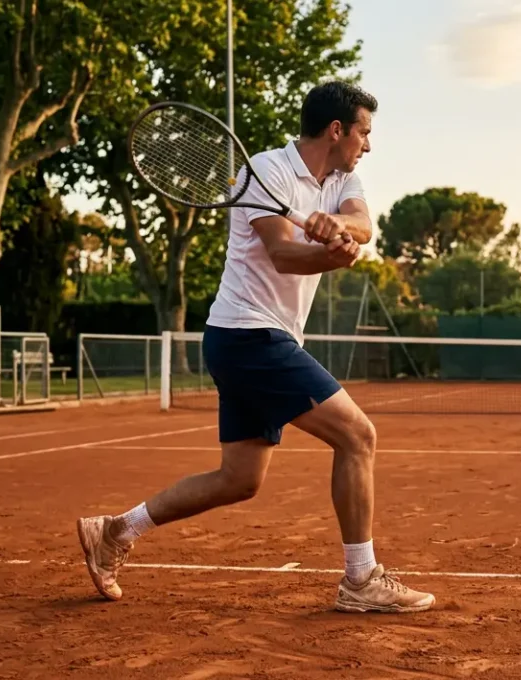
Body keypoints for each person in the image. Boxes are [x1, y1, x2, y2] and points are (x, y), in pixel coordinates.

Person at [75, 81, 436, 614]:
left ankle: (114, 531)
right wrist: (330, 256)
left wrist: (339, 226)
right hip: (249, 334)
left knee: (239, 479)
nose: (368, 144)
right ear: (337, 130)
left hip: (257, 338)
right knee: (358, 436)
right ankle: (361, 579)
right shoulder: (264, 170)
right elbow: (283, 253)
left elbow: (365, 224)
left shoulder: (343, 178)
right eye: (364, 132)